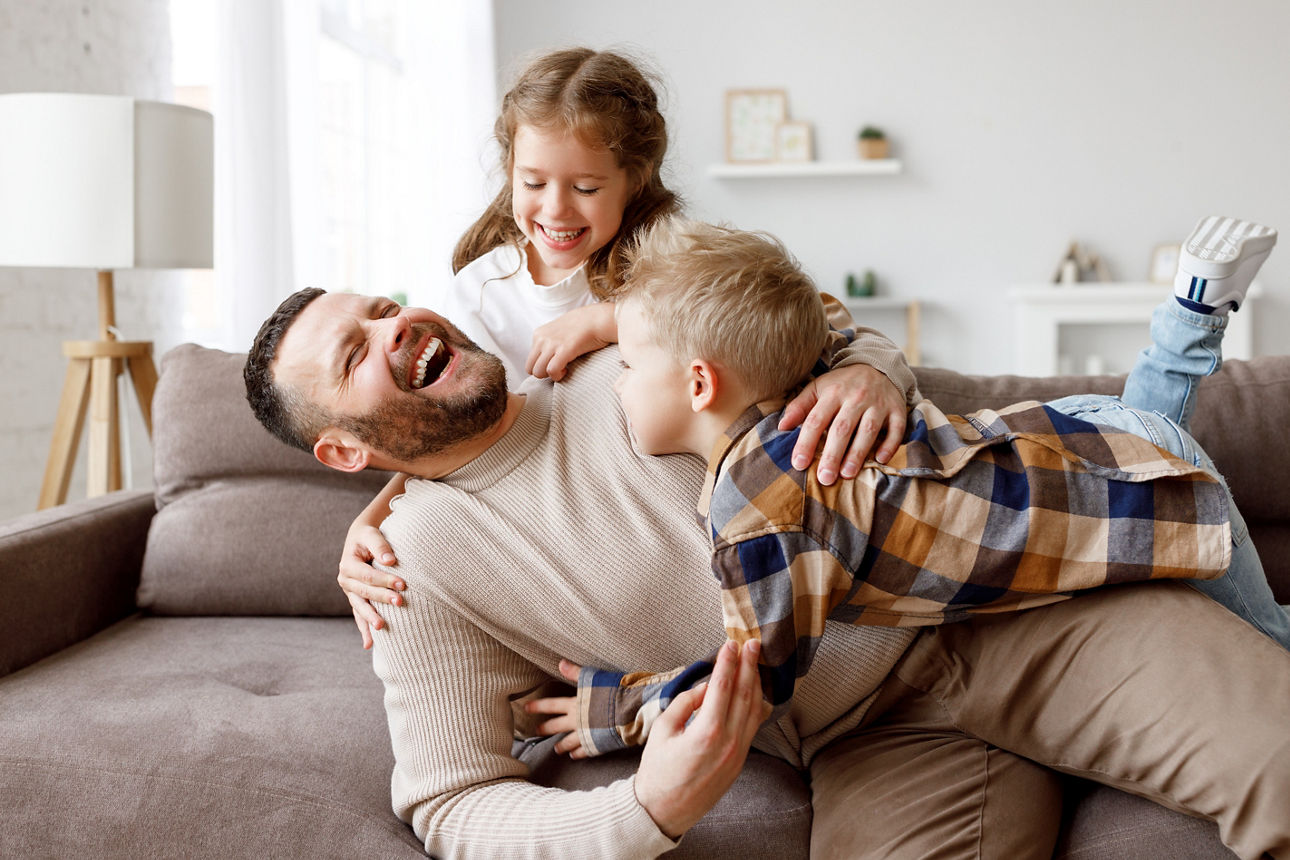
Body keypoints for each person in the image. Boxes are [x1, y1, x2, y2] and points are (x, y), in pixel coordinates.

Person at [243, 266, 1290, 855]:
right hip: (866, 744)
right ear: (343, 449)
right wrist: (644, 808)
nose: (395, 329)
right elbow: (449, 799)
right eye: (355, 354)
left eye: (381, 307)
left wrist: (873, 368)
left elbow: (818, 322)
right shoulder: (410, 561)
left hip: (1010, 606)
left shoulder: (619, 349)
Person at [515, 216, 1287, 760]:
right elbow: (796, 312)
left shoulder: (758, 512)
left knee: (1271, 645)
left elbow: (755, 682)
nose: (616, 389)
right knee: (1144, 430)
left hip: (1127, 485)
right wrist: (607, 322)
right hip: (1085, 435)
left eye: (627, 369)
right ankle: (1192, 307)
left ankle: (1193, 313)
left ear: (698, 381)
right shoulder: (798, 400)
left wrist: (627, 710)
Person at [338, 47, 912, 647]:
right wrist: (369, 518)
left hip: (696, 509)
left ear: (635, 180)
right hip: (563, 527)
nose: (556, 210)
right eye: (533, 182)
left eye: (586, 187)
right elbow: (444, 433)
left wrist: (606, 320)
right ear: (509, 169)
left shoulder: (666, 258)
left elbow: (811, 317)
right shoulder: (482, 293)